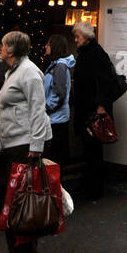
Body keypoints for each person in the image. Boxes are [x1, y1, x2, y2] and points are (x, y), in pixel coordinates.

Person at [0, 31, 53, 253]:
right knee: (20, 200)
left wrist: (36, 147)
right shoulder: (14, 72)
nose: (0, 48)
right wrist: (1, 141)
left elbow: (38, 110)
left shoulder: (29, 73)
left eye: (2, 45)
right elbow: (6, 110)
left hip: (24, 144)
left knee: (18, 204)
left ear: (11, 50)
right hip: (14, 142)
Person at [71, 22, 119, 199]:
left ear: (86, 36)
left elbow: (106, 83)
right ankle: (92, 184)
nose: (75, 40)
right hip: (88, 109)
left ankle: (94, 187)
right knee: (90, 149)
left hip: (92, 111)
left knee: (93, 150)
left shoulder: (94, 54)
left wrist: (100, 105)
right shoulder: (90, 52)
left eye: (77, 36)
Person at [43, 34, 73, 167]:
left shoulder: (59, 67)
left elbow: (59, 94)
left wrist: (46, 107)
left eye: (48, 44)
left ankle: (55, 187)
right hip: (57, 118)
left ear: (54, 47)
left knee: (54, 159)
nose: (45, 46)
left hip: (56, 119)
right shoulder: (56, 65)